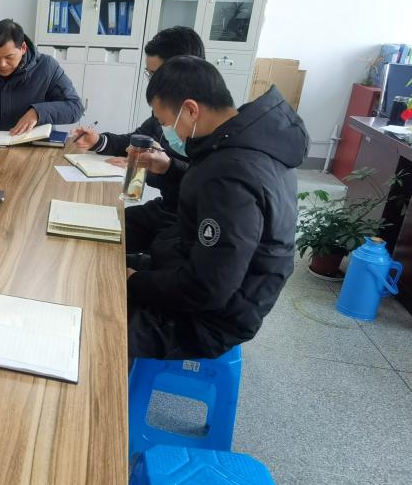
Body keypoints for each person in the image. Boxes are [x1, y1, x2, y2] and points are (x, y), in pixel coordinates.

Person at [126, 56, 308, 362]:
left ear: (191, 109)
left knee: (91, 325)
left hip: (208, 319)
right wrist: (171, 168)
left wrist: (133, 281)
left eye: (166, 122)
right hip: (197, 275)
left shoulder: (232, 174)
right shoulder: (244, 139)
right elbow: (207, 201)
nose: (168, 132)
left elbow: (207, 288)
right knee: (100, 266)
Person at [69, 26, 205, 254]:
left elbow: (201, 183)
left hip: (189, 225)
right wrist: (99, 141)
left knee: (110, 254)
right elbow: (139, 139)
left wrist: (164, 168)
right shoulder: (165, 108)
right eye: (149, 75)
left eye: (157, 76)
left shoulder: (206, 120)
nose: (151, 85)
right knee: (92, 233)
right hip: (164, 209)